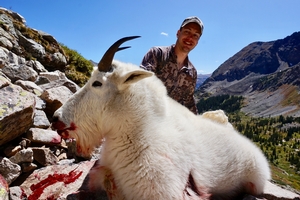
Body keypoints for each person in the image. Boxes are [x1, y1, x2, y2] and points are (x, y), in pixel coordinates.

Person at [140, 16, 204, 114]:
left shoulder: (192, 72)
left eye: (195, 35)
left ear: (197, 41)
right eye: (187, 32)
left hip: (172, 124)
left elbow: (189, 103)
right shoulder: (157, 54)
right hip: (146, 117)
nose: (190, 38)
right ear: (178, 33)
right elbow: (141, 84)